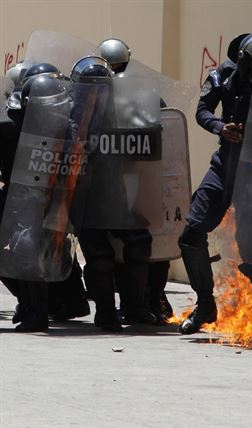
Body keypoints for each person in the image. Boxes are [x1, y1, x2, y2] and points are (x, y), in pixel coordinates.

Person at [179, 32, 252, 335]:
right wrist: (219, 126)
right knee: (191, 234)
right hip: (223, 167)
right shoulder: (222, 77)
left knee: (250, 247)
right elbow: (202, 111)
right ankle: (205, 305)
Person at [0, 64, 89, 331]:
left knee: (28, 250)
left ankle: (37, 311)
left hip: (50, 202)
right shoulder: (13, 126)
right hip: (28, 200)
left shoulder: (69, 128)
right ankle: (40, 305)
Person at [72, 56, 157, 331]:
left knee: (139, 243)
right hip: (84, 196)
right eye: (89, 87)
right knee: (99, 257)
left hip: (117, 192)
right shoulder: (69, 114)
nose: (95, 93)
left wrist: (149, 115)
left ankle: (135, 308)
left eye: (101, 87)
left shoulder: (123, 109)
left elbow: (151, 130)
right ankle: (105, 311)